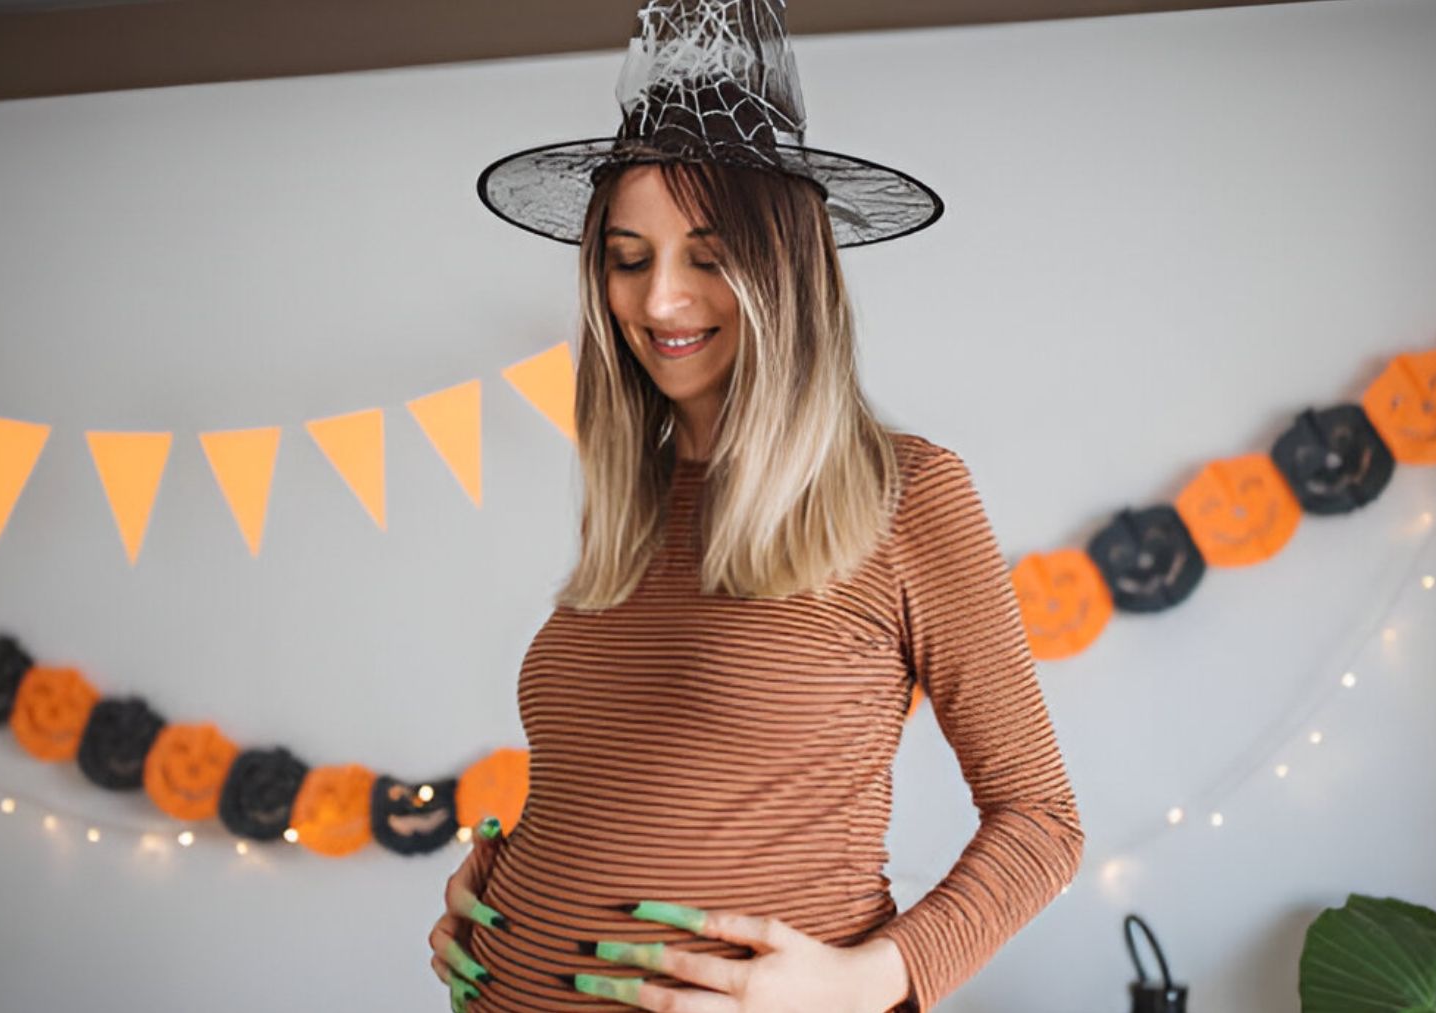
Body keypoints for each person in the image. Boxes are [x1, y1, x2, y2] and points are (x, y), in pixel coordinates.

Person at [429, 2, 1084, 1010]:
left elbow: (1041, 819)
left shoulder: (907, 491)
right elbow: (638, 782)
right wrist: (505, 882)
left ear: (786, 267)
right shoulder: (637, 498)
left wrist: (871, 979)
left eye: (707, 252)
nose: (658, 301)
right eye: (628, 256)